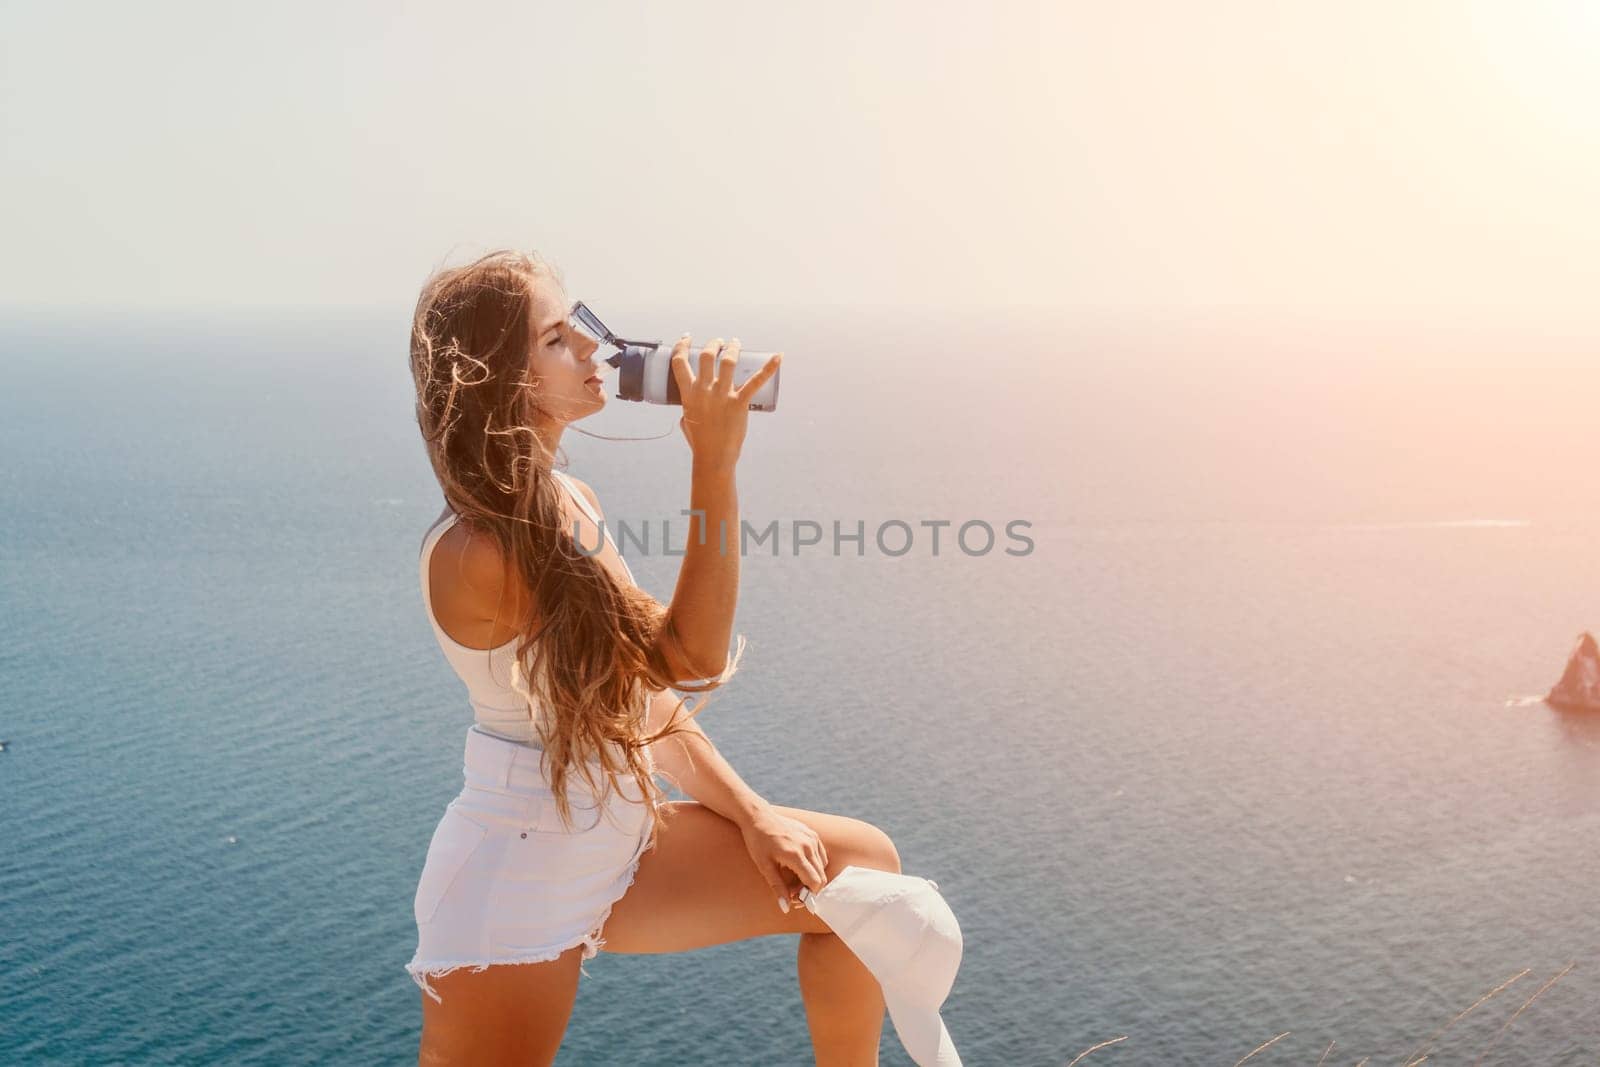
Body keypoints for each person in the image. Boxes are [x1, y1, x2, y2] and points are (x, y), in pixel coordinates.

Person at [405, 249, 904, 1066]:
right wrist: (714, 461)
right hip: (518, 871)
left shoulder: (570, 500)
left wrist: (755, 813)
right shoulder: (480, 553)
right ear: (505, 379)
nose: (594, 349)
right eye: (559, 338)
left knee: (862, 876)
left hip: (614, 834)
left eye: (584, 325)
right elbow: (686, 656)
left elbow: (638, 699)